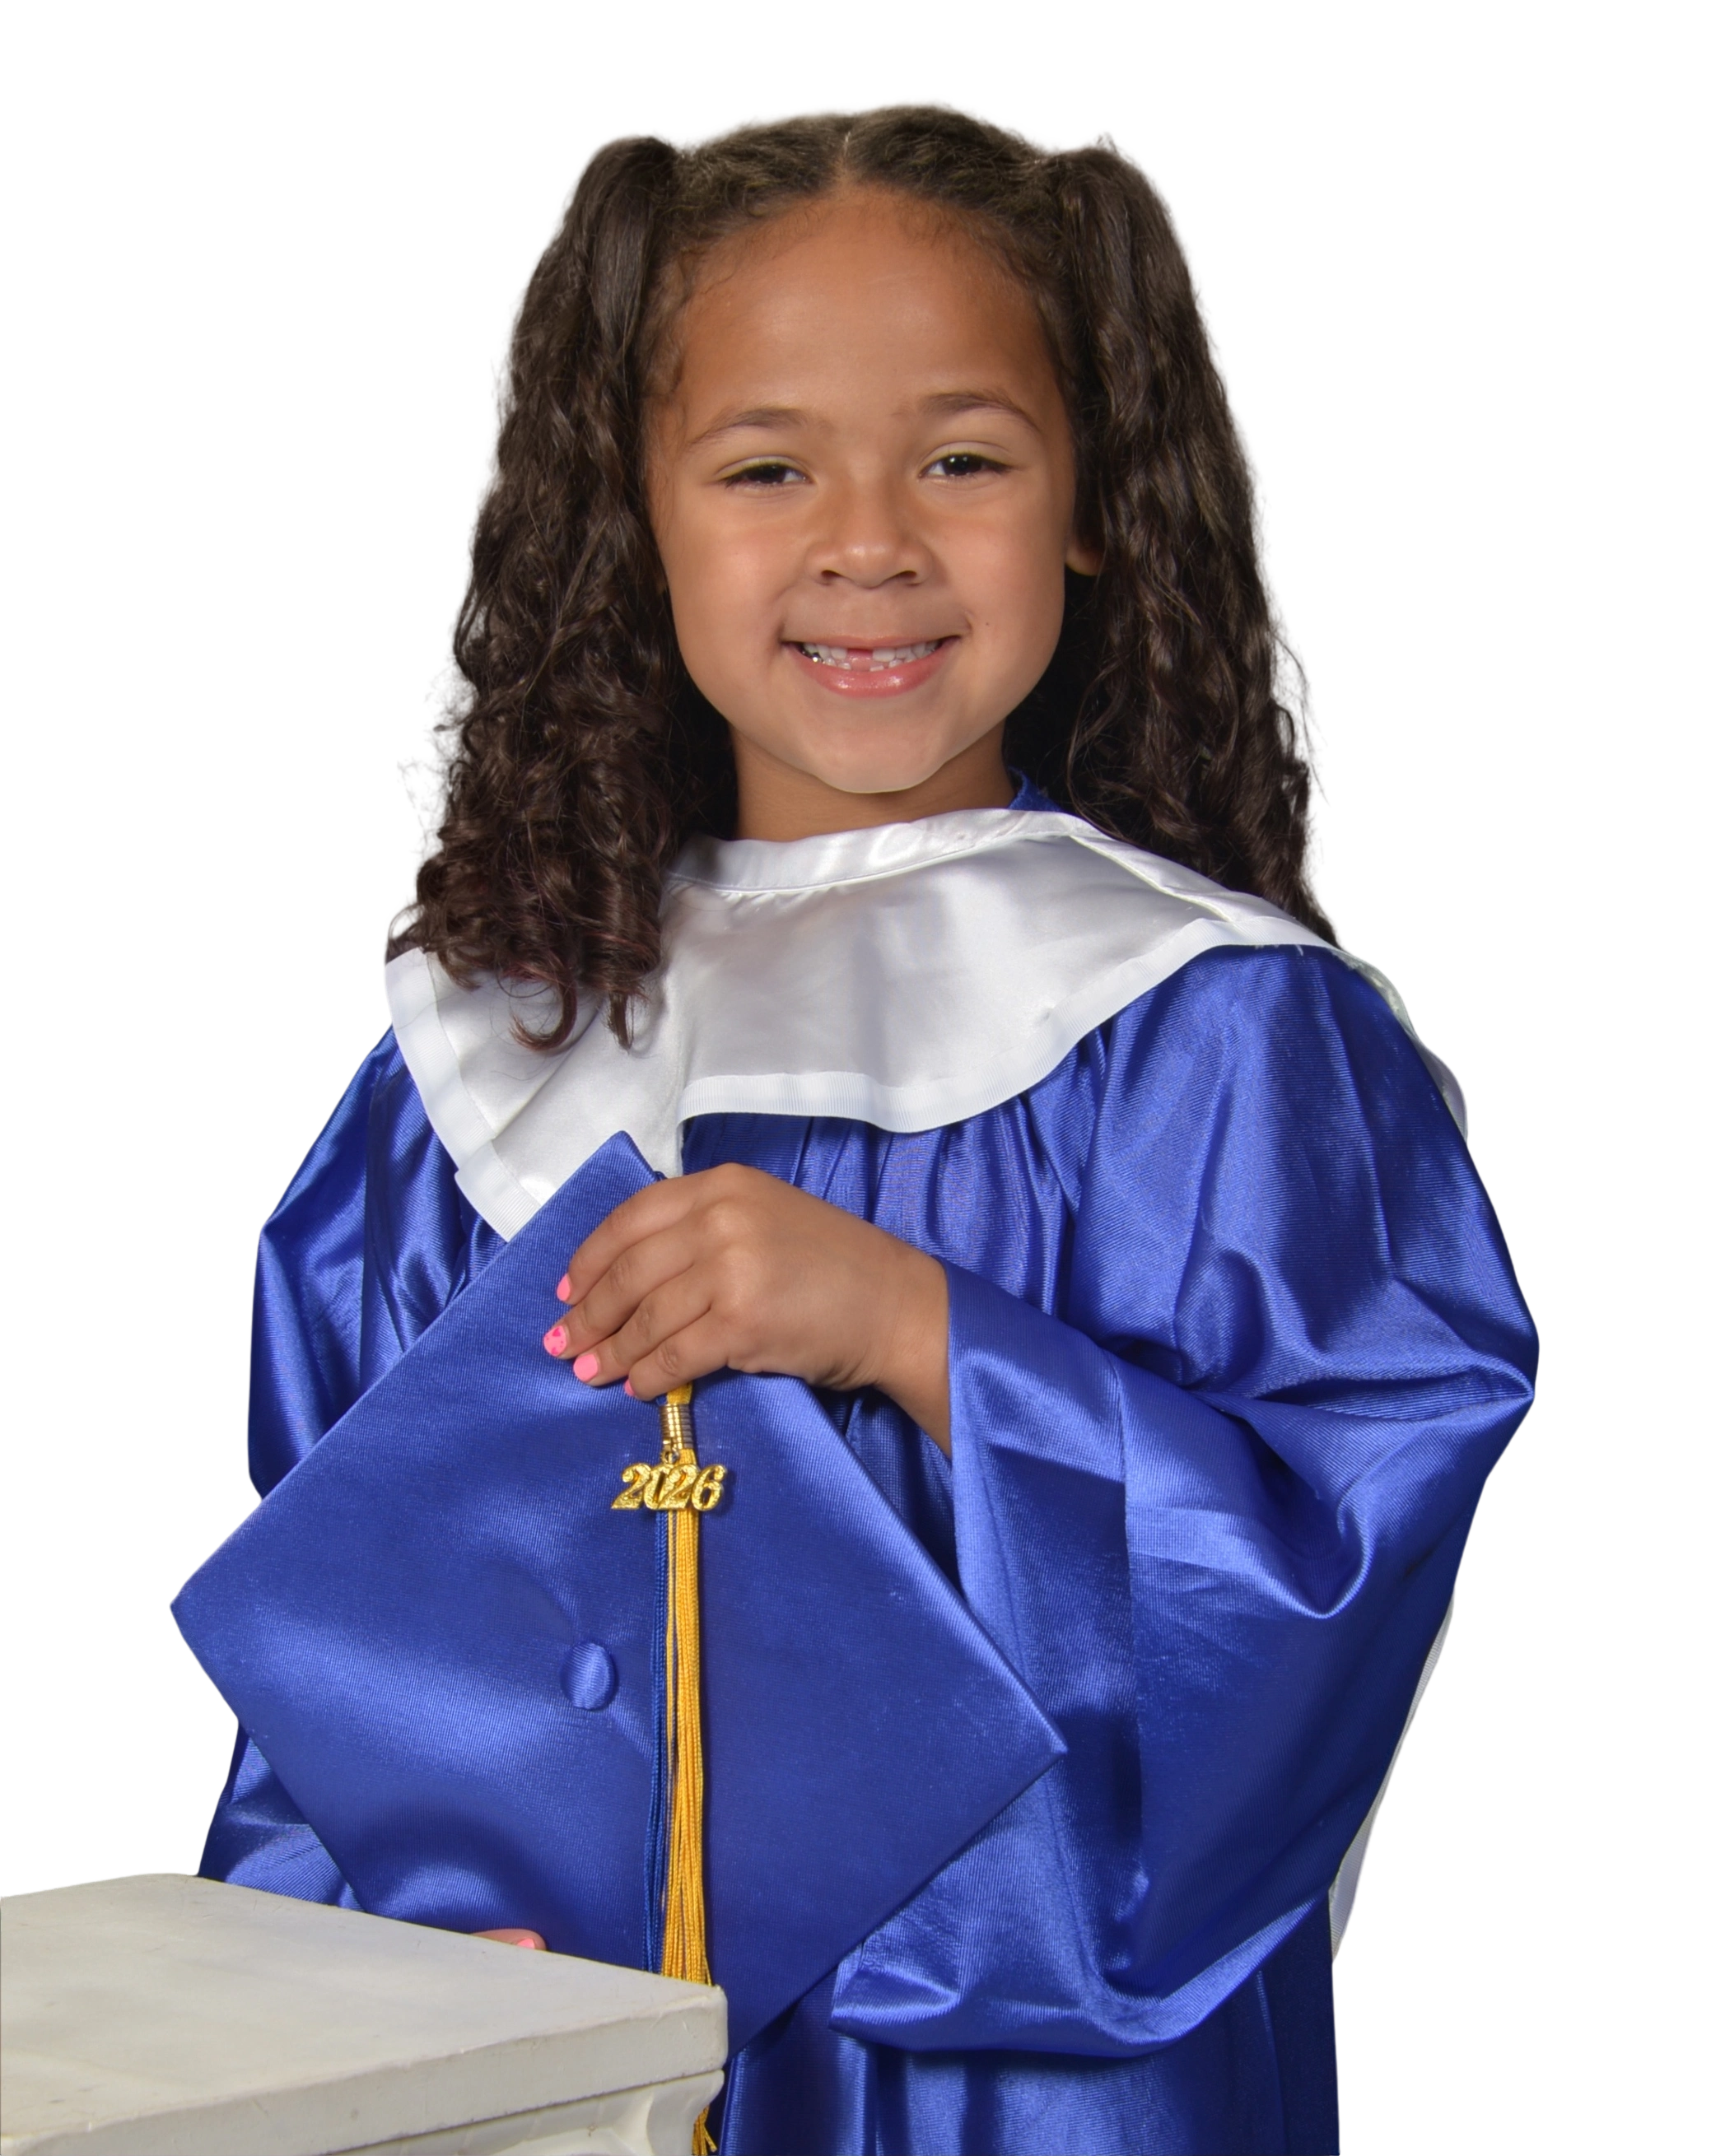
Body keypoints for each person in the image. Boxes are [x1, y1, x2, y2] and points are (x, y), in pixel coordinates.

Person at [203, 99, 1539, 2155]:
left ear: (1093, 500)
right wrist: (396, 1922)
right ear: (633, 515)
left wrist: (919, 1331)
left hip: (1040, 2092)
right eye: (766, 467)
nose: (869, 543)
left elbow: (1335, 1560)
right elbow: (338, 1643)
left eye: (963, 458)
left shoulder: (1211, 1034)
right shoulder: (473, 1066)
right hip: (568, 2063)